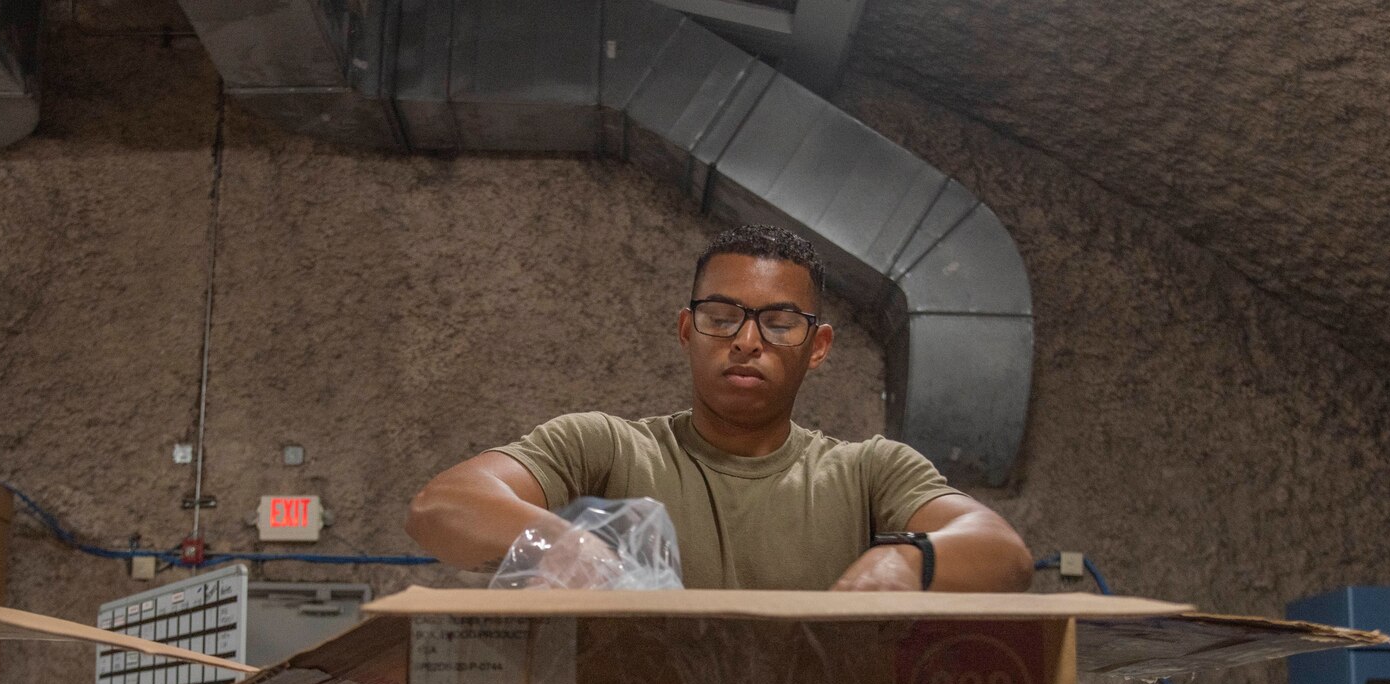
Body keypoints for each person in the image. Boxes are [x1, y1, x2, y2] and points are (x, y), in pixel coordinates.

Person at [406, 225, 1033, 592]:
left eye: (778, 322)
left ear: (818, 347)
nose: (746, 339)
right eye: (721, 316)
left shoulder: (869, 473)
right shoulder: (604, 448)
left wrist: (905, 559)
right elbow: (441, 507)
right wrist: (559, 543)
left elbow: (1004, 553)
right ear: (687, 329)